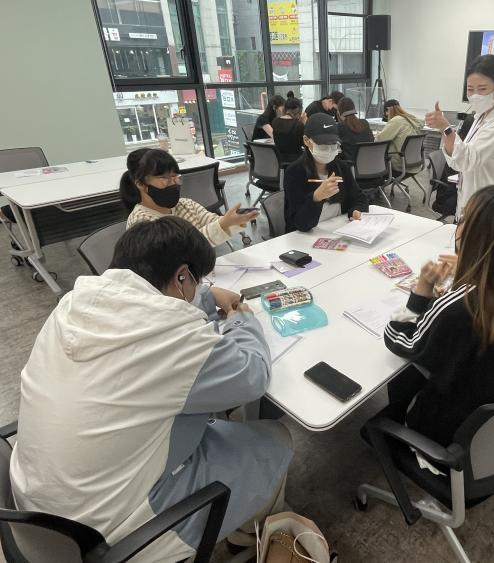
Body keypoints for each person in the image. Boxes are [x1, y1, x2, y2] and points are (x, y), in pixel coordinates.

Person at [10, 216, 293, 562]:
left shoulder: (73, 304)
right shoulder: (172, 336)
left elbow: (149, 305)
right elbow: (252, 375)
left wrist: (205, 297)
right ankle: (252, 537)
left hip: (40, 512)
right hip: (108, 535)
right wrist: (241, 319)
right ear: (182, 276)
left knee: (202, 425)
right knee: (274, 439)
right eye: (197, 281)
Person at [382, 185, 494, 447]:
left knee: (401, 378)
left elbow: (400, 340)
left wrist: (422, 290)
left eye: (462, 219)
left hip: (450, 438)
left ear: (472, 236)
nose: (458, 227)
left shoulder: (461, 307)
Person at [425, 55, 494, 218]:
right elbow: (457, 160)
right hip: (474, 201)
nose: (475, 95)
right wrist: (444, 129)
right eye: (470, 89)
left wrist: (446, 128)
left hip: (490, 208)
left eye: (482, 89)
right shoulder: (483, 114)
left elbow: (466, 160)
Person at [121, 148, 256, 247]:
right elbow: (177, 251)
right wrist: (223, 224)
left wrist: (234, 220)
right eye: (164, 178)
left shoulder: (186, 205)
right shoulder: (140, 221)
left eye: (175, 177)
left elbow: (213, 221)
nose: (173, 183)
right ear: (141, 184)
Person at [283, 113, 369, 233]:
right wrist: (316, 197)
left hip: (337, 229)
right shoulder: (294, 173)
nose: (329, 151)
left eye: (333, 145)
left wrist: (355, 210)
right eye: (323, 146)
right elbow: (300, 224)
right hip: (306, 235)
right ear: (306, 141)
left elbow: (359, 198)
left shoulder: (341, 167)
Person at [377, 99, 424, 174]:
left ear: (388, 110)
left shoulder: (396, 120)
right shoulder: (409, 119)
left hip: (400, 165)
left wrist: (376, 134)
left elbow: (380, 140)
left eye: (386, 113)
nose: (386, 115)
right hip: (415, 163)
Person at [336, 96, 374, 162]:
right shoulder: (365, 123)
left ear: (339, 112)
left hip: (351, 165)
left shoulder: (340, 127)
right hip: (370, 163)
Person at [272, 91, 306, 164]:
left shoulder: (275, 121)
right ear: (299, 111)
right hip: (296, 162)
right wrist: (304, 124)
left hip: (279, 160)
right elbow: (306, 144)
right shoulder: (299, 125)